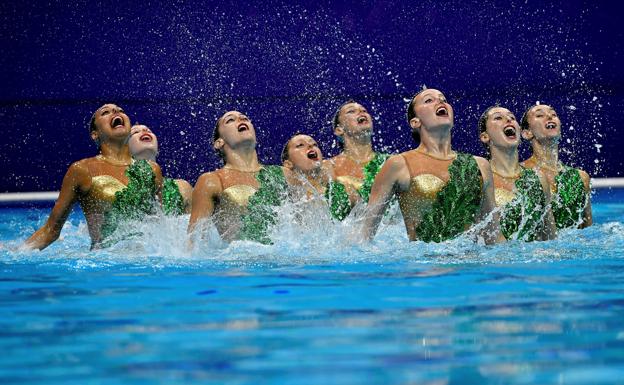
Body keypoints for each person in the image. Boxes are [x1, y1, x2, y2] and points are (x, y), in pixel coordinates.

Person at [362, 88, 501, 243]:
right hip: (424, 265)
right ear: (415, 122)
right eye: (429, 100)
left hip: (470, 264)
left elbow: (493, 233)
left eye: (443, 99)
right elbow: (365, 234)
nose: (440, 101)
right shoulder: (398, 164)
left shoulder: (480, 165)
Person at [23, 104, 163, 250]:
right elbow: (50, 231)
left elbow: (161, 226)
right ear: (95, 134)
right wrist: (14, 254)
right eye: (105, 112)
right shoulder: (82, 170)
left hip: (146, 264)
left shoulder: (151, 170)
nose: (115, 112)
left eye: (121, 110)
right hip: (105, 263)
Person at [478, 106, 556, 241]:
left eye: (512, 118)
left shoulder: (537, 179)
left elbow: (551, 238)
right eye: (498, 118)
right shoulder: (481, 177)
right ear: (485, 136)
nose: (508, 119)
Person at [188, 111, 263, 242]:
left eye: (244, 118)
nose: (241, 120)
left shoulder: (283, 174)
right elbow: (194, 242)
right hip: (241, 260)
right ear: (219, 143)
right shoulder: (212, 181)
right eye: (230, 120)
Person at [520, 104, 592, 229]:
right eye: (539, 115)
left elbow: (587, 230)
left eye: (553, 114)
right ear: (527, 133)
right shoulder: (519, 173)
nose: (549, 116)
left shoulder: (580, 177)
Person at [327, 100, 390, 218]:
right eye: (351, 111)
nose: (361, 112)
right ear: (339, 129)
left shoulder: (391, 162)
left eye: (364, 110)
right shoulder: (328, 166)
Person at [128, 124, 192, 215]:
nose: (145, 131)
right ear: (124, 148)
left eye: (149, 131)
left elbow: (195, 228)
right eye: (135, 132)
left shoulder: (182, 188)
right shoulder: (122, 187)